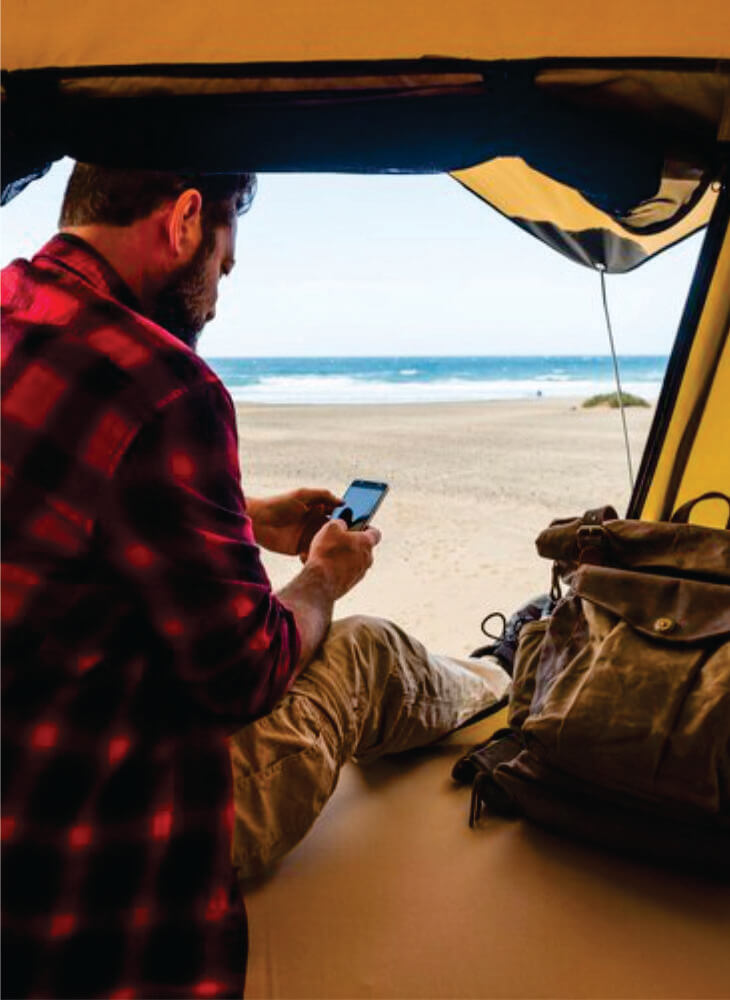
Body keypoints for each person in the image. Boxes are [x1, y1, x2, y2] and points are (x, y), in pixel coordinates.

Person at [1, 163, 510, 999]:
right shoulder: (165, 384)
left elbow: (48, 487)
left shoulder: (19, 315)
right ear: (187, 220)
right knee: (370, 650)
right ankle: (508, 682)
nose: (218, 298)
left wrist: (243, 512)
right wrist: (322, 576)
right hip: (95, 848)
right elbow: (247, 670)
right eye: (224, 268)